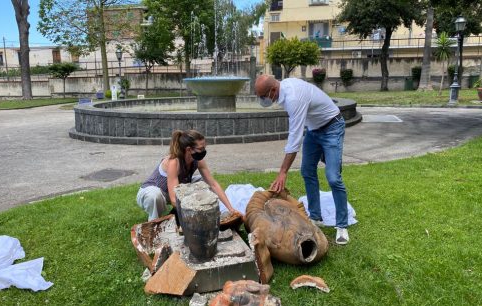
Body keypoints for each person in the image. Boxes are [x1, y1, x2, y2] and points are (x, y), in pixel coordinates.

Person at [254, 75, 350, 245]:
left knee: (333, 177)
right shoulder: (284, 90)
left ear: (274, 90)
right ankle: (315, 217)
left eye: (264, 96)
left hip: (332, 127)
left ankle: (342, 225)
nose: (263, 99)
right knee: (307, 171)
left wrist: (283, 172)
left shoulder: (293, 98)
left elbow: (295, 139)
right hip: (314, 130)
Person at [136, 129, 238, 222]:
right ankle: (154, 222)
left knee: (204, 182)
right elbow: (174, 199)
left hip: (176, 188)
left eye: (204, 148)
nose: (203, 152)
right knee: (154, 195)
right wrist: (193, 213)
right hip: (153, 192)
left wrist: (231, 209)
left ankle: (208, 213)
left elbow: (213, 184)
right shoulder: (173, 162)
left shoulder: (198, 159)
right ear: (189, 149)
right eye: (201, 149)